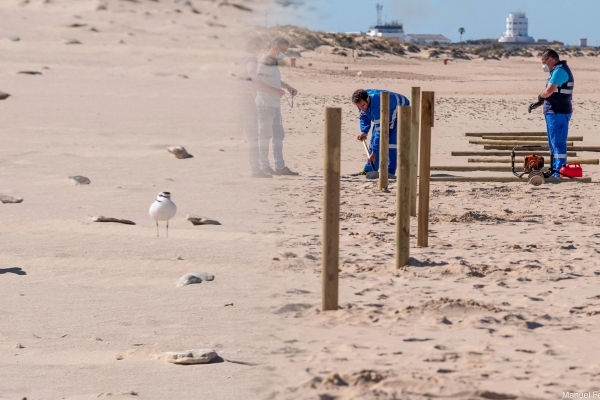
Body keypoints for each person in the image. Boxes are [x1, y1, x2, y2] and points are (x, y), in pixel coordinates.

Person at [255, 37, 299, 176]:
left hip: (275, 105)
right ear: (275, 48)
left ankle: (280, 167)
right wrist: (275, 91)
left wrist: (287, 86)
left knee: (278, 135)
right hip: (264, 105)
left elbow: (274, 79)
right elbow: (257, 84)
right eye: (283, 51)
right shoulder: (262, 63)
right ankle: (264, 166)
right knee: (265, 136)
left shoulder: (273, 62)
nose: (284, 54)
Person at [528, 49, 574, 176]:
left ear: (551, 59)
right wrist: (541, 101)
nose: (544, 65)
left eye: (544, 62)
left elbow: (549, 91)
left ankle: (558, 172)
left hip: (558, 112)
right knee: (553, 143)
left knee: (558, 143)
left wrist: (540, 96)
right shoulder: (557, 70)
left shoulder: (559, 70)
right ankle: (555, 169)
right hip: (555, 111)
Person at [351, 89, 410, 176]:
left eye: (363, 105)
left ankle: (389, 172)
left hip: (400, 109)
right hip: (384, 109)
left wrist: (374, 152)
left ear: (367, 99)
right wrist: (364, 131)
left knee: (391, 142)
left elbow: (381, 131)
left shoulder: (376, 105)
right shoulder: (361, 101)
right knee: (374, 140)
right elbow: (364, 116)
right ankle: (369, 169)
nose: (361, 108)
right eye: (359, 106)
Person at [239, 36, 272, 178]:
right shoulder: (251, 58)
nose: (259, 50)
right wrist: (253, 95)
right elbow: (252, 78)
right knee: (252, 135)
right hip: (245, 99)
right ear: (253, 46)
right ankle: (256, 169)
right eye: (259, 47)